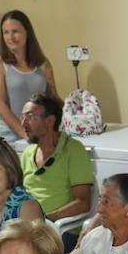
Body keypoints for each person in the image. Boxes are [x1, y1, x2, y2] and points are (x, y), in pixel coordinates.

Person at [21, 94, 94, 225]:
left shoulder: (73, 150)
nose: (23, 123)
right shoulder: (27, 153)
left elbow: (83, 203)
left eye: (29, 117)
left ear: (49, 121)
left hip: (60, 228)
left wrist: (47, 219)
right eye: (22, 117)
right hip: (28, 225)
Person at [0, 9, 57, 140]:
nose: (10, 37)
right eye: (6, 32)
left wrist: (75, 111)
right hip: (12, 138)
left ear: (27, 33)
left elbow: (53, 99)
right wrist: (24, 132)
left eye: (15, 32)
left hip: (40, 137)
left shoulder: (43, 64)